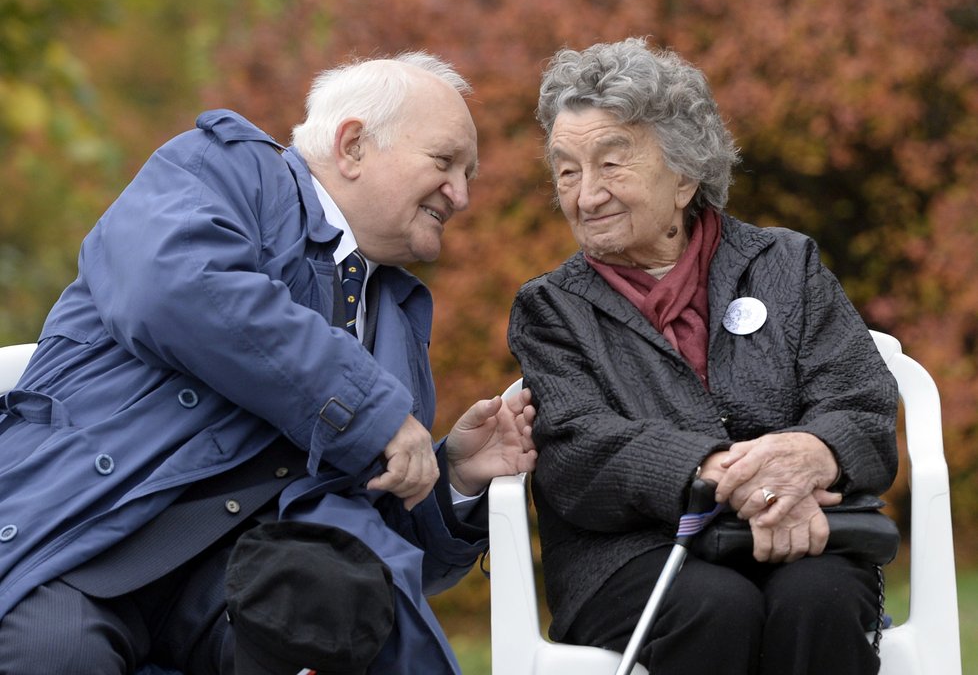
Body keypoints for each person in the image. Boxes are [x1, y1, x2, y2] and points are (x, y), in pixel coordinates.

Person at [0, 51, 536, 675]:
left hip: (243, 587)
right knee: (63, 659)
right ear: (354, 144)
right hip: (88, 537)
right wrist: (373, 414)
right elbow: (174, 287)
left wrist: (453, 480)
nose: (463, 196)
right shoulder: (223, 168)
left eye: (468, 174)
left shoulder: (397, 312)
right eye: (444, 163)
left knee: (346, 625)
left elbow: (372, 538)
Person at [507, 37, 898, 675]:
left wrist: (809, 455)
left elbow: (860, 401)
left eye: (612, 164)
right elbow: (580, 449)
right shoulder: (550, 309)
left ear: (686, 175)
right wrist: (721, 471)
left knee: (819, 599)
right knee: (717, 605)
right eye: (567, 170)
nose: (586, 195)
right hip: (630, 555)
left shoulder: (784, 264)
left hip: (802, 532)